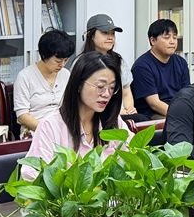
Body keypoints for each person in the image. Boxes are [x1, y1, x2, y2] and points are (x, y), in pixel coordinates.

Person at [21, 52, 128, 181]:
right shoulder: (51, 126)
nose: (106, 94)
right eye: (100, 86)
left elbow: (133, 157)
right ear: (78, 84)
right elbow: (31, 173)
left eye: (112, 88)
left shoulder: (113, 122)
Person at [68, 14, 137, 115]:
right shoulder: (81, 62)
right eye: (105, 33)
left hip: (121, 114)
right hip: (96, 115)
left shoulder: (119, 60)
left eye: (112, 33)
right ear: (91, 35)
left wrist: (130, 109)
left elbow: (126, 92)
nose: (110, 37)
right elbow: (77, 97)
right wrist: (116, 112)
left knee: (140, 119)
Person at [13, 29, 76, 138]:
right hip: (35, 129)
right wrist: (47, 130)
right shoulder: (25, 76)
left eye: (65, 60)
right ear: (44, 55)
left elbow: (71, 106)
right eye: (58, 61)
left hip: (63, 128)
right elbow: (22, 116)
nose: (62, 65)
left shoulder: (65, 74)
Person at [130, 19, 190, 120]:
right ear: (153, 40)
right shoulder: (142, 66)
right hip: (153, 115)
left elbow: (187, 95)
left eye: (175, 37)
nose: (172, 42)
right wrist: (180, 115)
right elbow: (154, 104)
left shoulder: (181, 62)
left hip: (177, 110)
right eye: (167, 37)